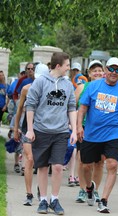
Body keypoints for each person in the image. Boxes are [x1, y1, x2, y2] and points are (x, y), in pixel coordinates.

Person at [77, 57, 118, 213]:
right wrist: (78, 127)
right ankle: (89, 188)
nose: (114, 72)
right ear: (105, 70)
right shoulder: (93, 86)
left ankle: (103, 200)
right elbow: (82, 109)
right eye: (111, 69)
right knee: (86, 166)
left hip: (113, 134)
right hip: (91, 134)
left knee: (112, 164)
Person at [25, 52, 77, 215]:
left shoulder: (68, 85)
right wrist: (30, 129)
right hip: (41, 131)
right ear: (58, 66)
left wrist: (74, 129)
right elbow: (30, 105)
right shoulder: (40, 82)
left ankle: (54, 199)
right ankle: (43, 200)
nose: (69, 68)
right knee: (42, 167)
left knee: (58, 167)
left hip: (61, 132)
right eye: (67, 65)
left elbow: (71, 107)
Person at [13, 64, 50, 206]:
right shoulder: (26, 89)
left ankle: (41, 189)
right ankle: (29, 194)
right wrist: (16, 129)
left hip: (44, 128)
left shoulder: (51, 90)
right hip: (28, 127)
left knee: (42, 162)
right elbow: (19, 109)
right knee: (29, 159)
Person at [74, 59, 105, 203]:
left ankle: (96, 190)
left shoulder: (108, 87)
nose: (97, 72)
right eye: (94, 70)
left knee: (99, 162)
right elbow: (72, 107)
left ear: (104, 72)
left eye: (100, 70)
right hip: (84, 128)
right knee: (82, 160)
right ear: (89, 73)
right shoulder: (82, 88)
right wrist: (75, 127)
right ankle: (82, 189)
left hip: (101, 129)